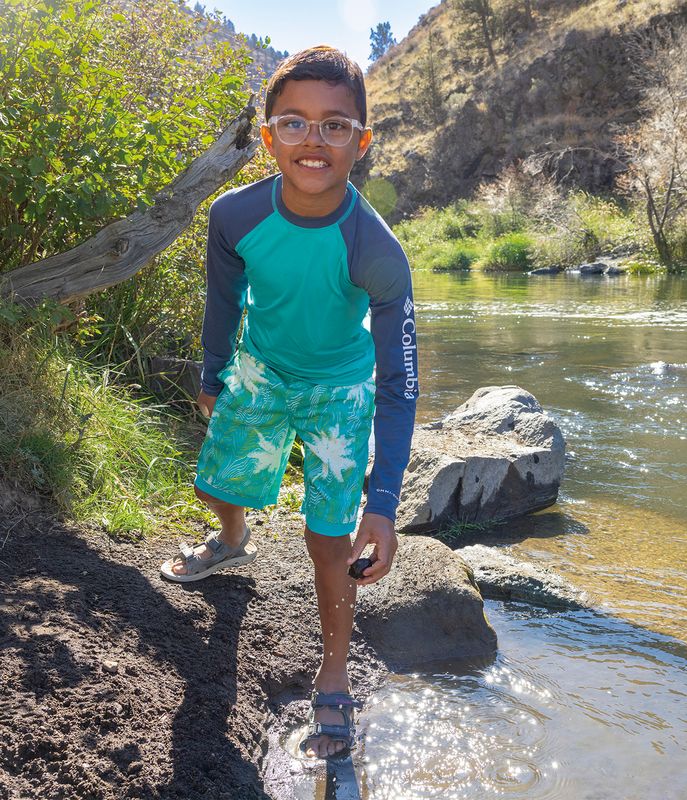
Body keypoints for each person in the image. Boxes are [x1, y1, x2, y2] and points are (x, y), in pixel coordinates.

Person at [159, 45, 418, 760]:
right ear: (267, 136)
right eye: (294, 123)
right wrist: (214, 372)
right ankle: (233, 541)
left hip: (341, 388)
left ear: (360, 144)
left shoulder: (376, 250)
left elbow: (400, 382)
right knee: (216, 479)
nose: (314, 140)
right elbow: (224, 296)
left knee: (328, 539)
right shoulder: (234, 215)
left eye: (336, 126)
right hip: (262, 370)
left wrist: (385, 500)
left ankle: (333, 674)